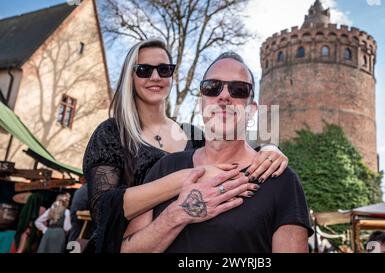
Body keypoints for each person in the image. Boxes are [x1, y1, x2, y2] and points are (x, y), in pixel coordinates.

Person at [83, 39, 289, 252]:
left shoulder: (193, 135)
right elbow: (102, 210)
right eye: (144, 70)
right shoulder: (112, 133)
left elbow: (227, 151)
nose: (155, 77)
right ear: (130, 77)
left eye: (164, 70)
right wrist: (185, 177)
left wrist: (268, 149)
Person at [120, 51, 313, 253]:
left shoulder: (280, 180)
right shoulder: (165, 168)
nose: (224, 96)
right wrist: (178, 214)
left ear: (252, 110)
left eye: (239, 89)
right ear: (201, 102)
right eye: (212, 87)